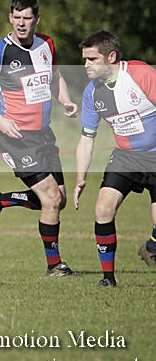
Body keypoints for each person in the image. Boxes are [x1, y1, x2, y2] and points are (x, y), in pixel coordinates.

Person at [0, 0, 80, 276]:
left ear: (36, 19)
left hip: (44, 136)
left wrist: (65, 99)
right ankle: (54, 265)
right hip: (16, 139)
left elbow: (55, 77)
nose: (21, 23)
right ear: (10, 18)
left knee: (59, 200)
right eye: (16, 17)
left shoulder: (47, 44)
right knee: (51, 199)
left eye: (26, 18)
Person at [73, 30, 156, 287]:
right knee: (102, 209)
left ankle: (151, 247)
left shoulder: (141, 74)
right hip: (125, 157)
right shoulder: (92, 93)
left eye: (92, 59)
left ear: (111, 57)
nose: (86, 65)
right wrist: (80, 179)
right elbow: (87, 138)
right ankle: (108, 279)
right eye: (84, 59)